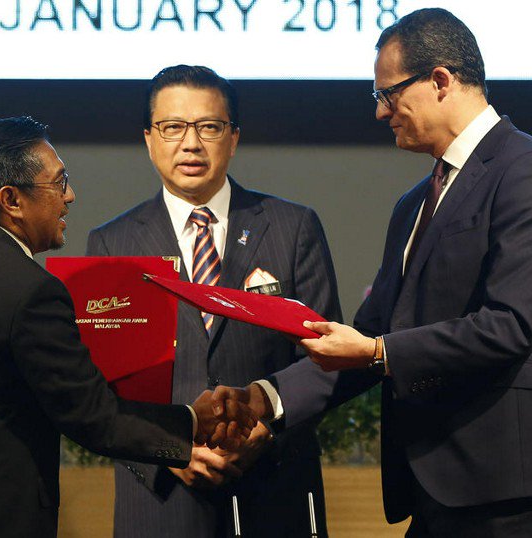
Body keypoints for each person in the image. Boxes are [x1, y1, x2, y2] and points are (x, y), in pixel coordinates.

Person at [219, 8, 532, 536]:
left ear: (441, 80)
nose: (380, 112)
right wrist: (264, 398)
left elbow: (509, 326)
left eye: (387, 93)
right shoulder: (415, 203)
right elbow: (368, 335)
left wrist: (377, 351)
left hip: (506, 489)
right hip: (433, 490)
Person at [0, 116, 254, 538]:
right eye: (59, 182)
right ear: (11, 199)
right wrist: (192, 420)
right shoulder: (31, 289)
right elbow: (93, 418)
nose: (70, 196)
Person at [87, 65, 342, 537]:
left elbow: (327, 359)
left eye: (209, 127)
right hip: (161, 506)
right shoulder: (112, 244)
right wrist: (167, 449)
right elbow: (104, 387)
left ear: (234, 137)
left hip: (274, 492)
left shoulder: (293, 228)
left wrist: (267, 426)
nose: (191, 144)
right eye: (172, 127)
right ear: (149, 139)